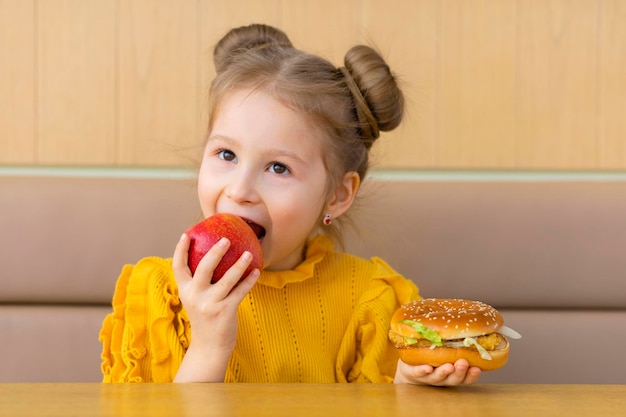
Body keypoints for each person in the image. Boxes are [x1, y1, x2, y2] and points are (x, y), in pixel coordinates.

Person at [99, 23, 481, 386]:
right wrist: (209, 344)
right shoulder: (160, 297)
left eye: (278, 167)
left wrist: (410, 385)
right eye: (226, 154)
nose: (239, 189)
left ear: (338, 195)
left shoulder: (369, 300)